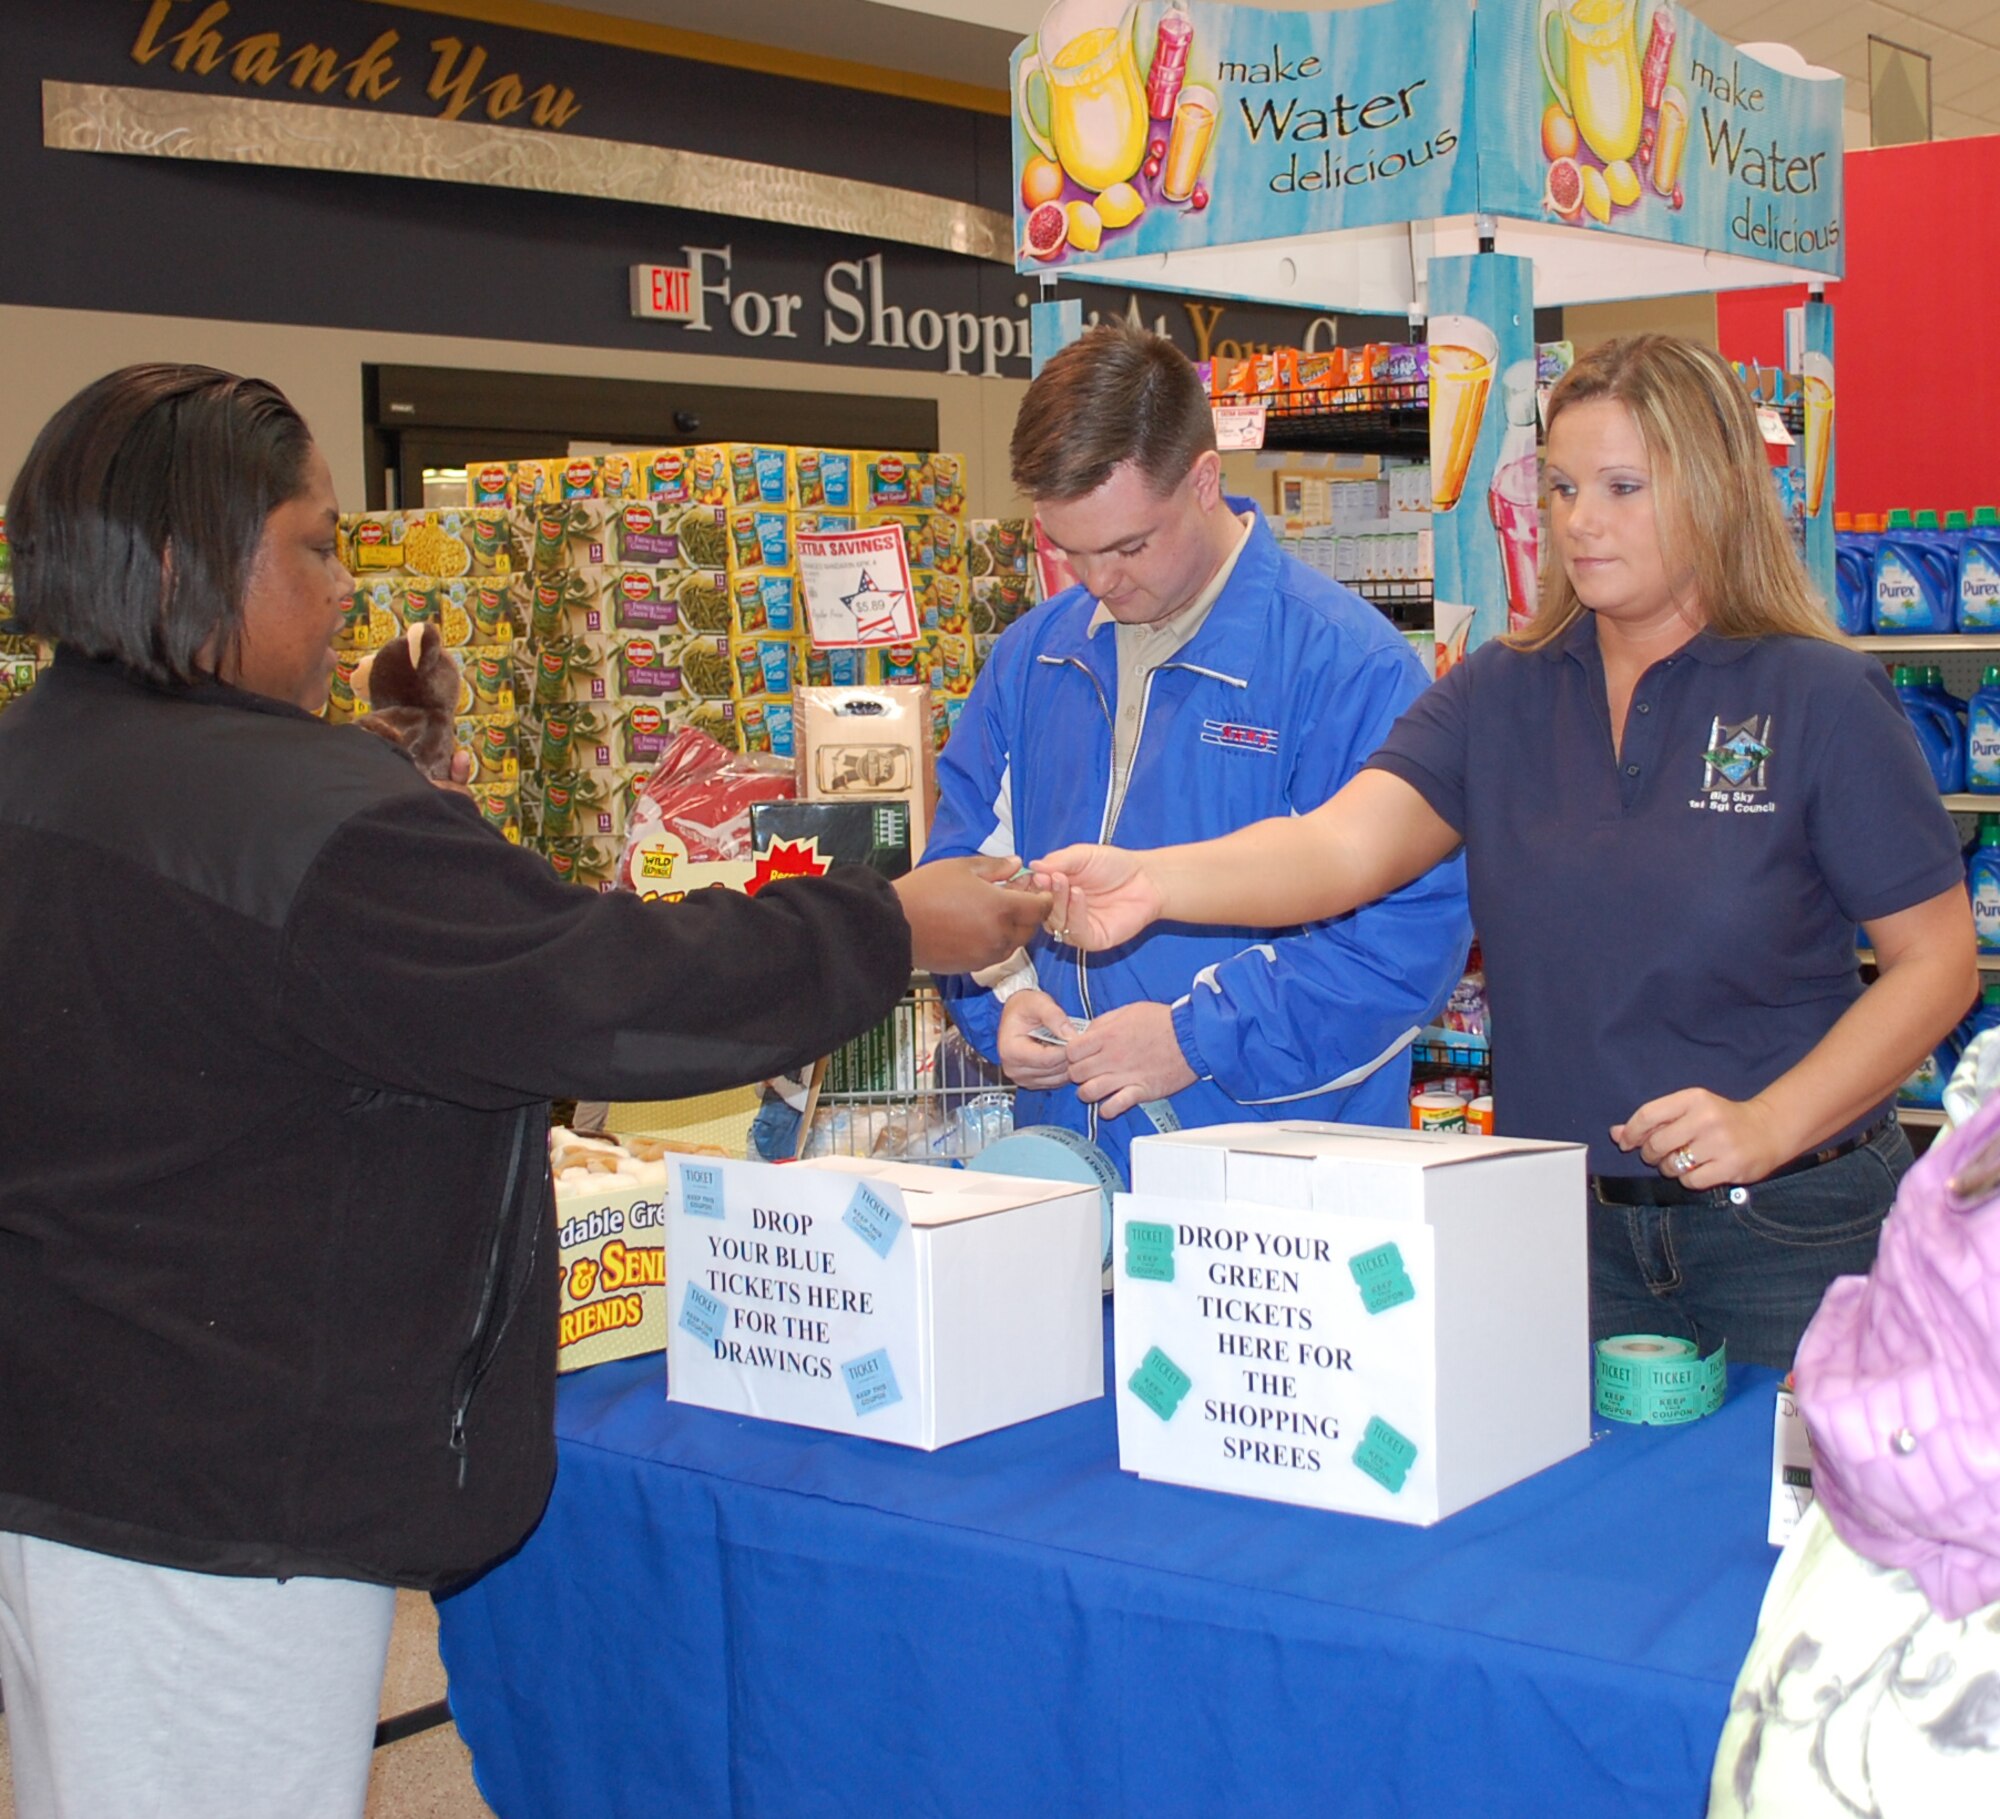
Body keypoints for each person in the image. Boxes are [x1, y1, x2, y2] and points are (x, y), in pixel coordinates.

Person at [0, 364, 1047, 1819]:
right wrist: (895, 925)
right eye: (314, 545)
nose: (344, 591)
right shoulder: (303, 824)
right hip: (231, 1501)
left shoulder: (47, 765)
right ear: (188, 563)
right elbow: (602, 989)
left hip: (65, 1453)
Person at [1033, 332, 1976, 1369]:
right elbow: (1340, 844)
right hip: (1567, 1232)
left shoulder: (1818, 698)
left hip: (1789, 1226)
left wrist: (1767, 1121)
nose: (1580, 520)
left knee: (1788, 1528)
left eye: (1622, 486)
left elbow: (1932, 965)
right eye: (1563, 486)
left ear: (1711, 489)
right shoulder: (1502, 691)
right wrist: (1154, 880)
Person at [923, 323, 1471, 1180]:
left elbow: (1406, 936)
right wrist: (1000, 1001)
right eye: (1070, 551)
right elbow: (964, 863)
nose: (1098, 581)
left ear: (1205, 480)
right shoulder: (1035, 657)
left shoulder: (1344, 664)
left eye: (1129, 546)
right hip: (1063, 1171)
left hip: (1276, 1189)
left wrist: (1193, 1037)